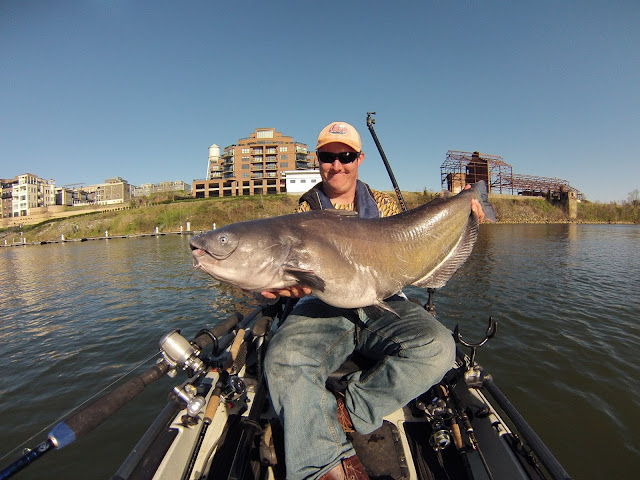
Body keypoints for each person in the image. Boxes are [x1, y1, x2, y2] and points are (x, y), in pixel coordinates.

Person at [263, 121, 484, 480]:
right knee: (282, 358)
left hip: (383, 301)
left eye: (346, 156)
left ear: (360, 158)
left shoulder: (384, 204)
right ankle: (322, 466)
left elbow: (415, 241)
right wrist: (292, 286)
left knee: (440, 348)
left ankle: (345, 412)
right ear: (317, 160)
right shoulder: (305, 210)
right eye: (328, 157)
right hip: (323, 305)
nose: (337, 165)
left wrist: (462, 215)